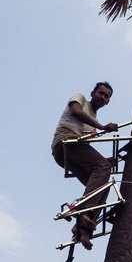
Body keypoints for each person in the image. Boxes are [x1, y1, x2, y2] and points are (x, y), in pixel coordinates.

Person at [51, 82, 119, 249]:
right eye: (100, 93)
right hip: (66, 141)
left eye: (106, 96)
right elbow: (76, 112)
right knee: (102, 168)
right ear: (92, 93)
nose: (102, 97)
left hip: (73, 152)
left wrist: (105, 161)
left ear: (108, 101)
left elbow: (85, 150)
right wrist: (103, 128)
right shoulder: (79, 99)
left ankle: (82, 230)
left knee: (104, 185)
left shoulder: (93, 120)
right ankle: (84, 212)